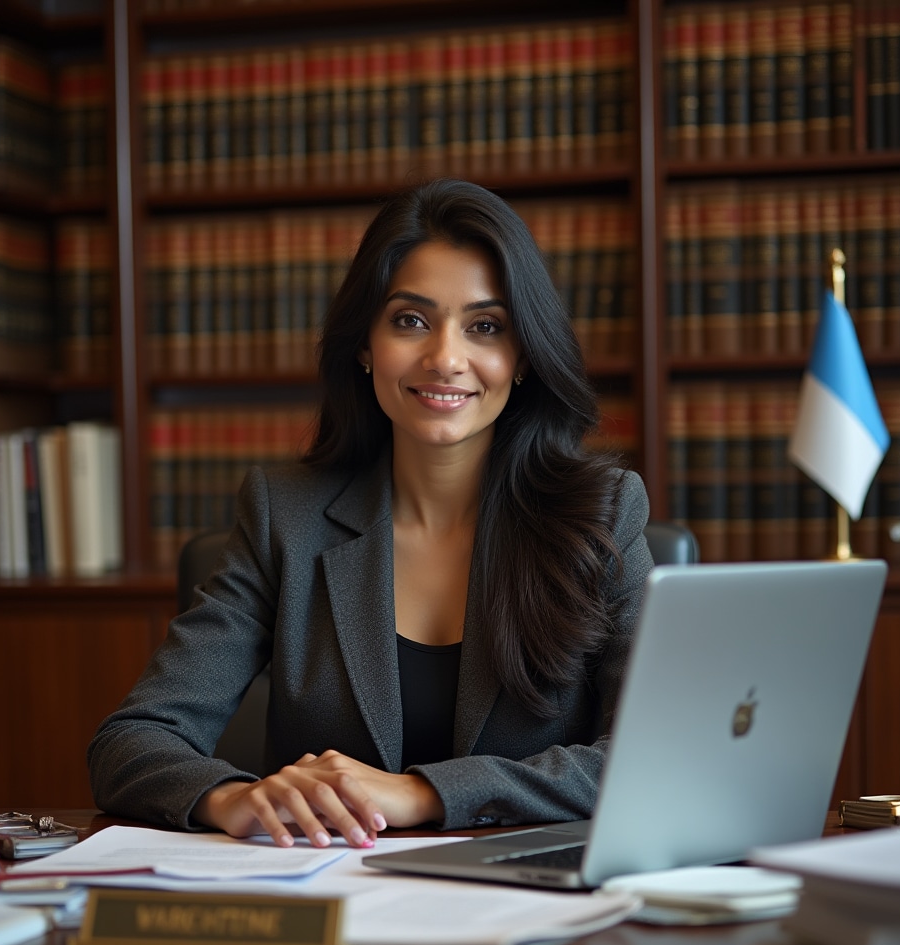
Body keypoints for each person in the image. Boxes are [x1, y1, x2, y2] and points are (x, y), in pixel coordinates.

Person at [87, 178, 653, 850]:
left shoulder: (603, 515)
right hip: (338, 910)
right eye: (410, 320)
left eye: (485, 326)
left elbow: (654, 757)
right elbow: (130, 741)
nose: (445, 358)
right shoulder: (285, 520)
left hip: (540, 905)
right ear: (365, 345)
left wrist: (423, 792)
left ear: (523, 355)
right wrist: (232, 798)